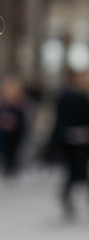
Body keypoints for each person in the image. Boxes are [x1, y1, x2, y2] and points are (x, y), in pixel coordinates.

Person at [48, 67, 89, 217]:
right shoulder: (69, 97)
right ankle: (66, 197)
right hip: (70, 141)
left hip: (77, 141)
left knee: (78, 171)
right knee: (74, 171)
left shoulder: (75, 97)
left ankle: (67, 197)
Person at [0, 73, 28, 176]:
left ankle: (12, 167)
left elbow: (22, 118)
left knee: (14, 151)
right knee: (6, 151)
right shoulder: (2, 102)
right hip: (4, 131)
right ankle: (8, 167)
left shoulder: (20, 103)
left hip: (16, 132)